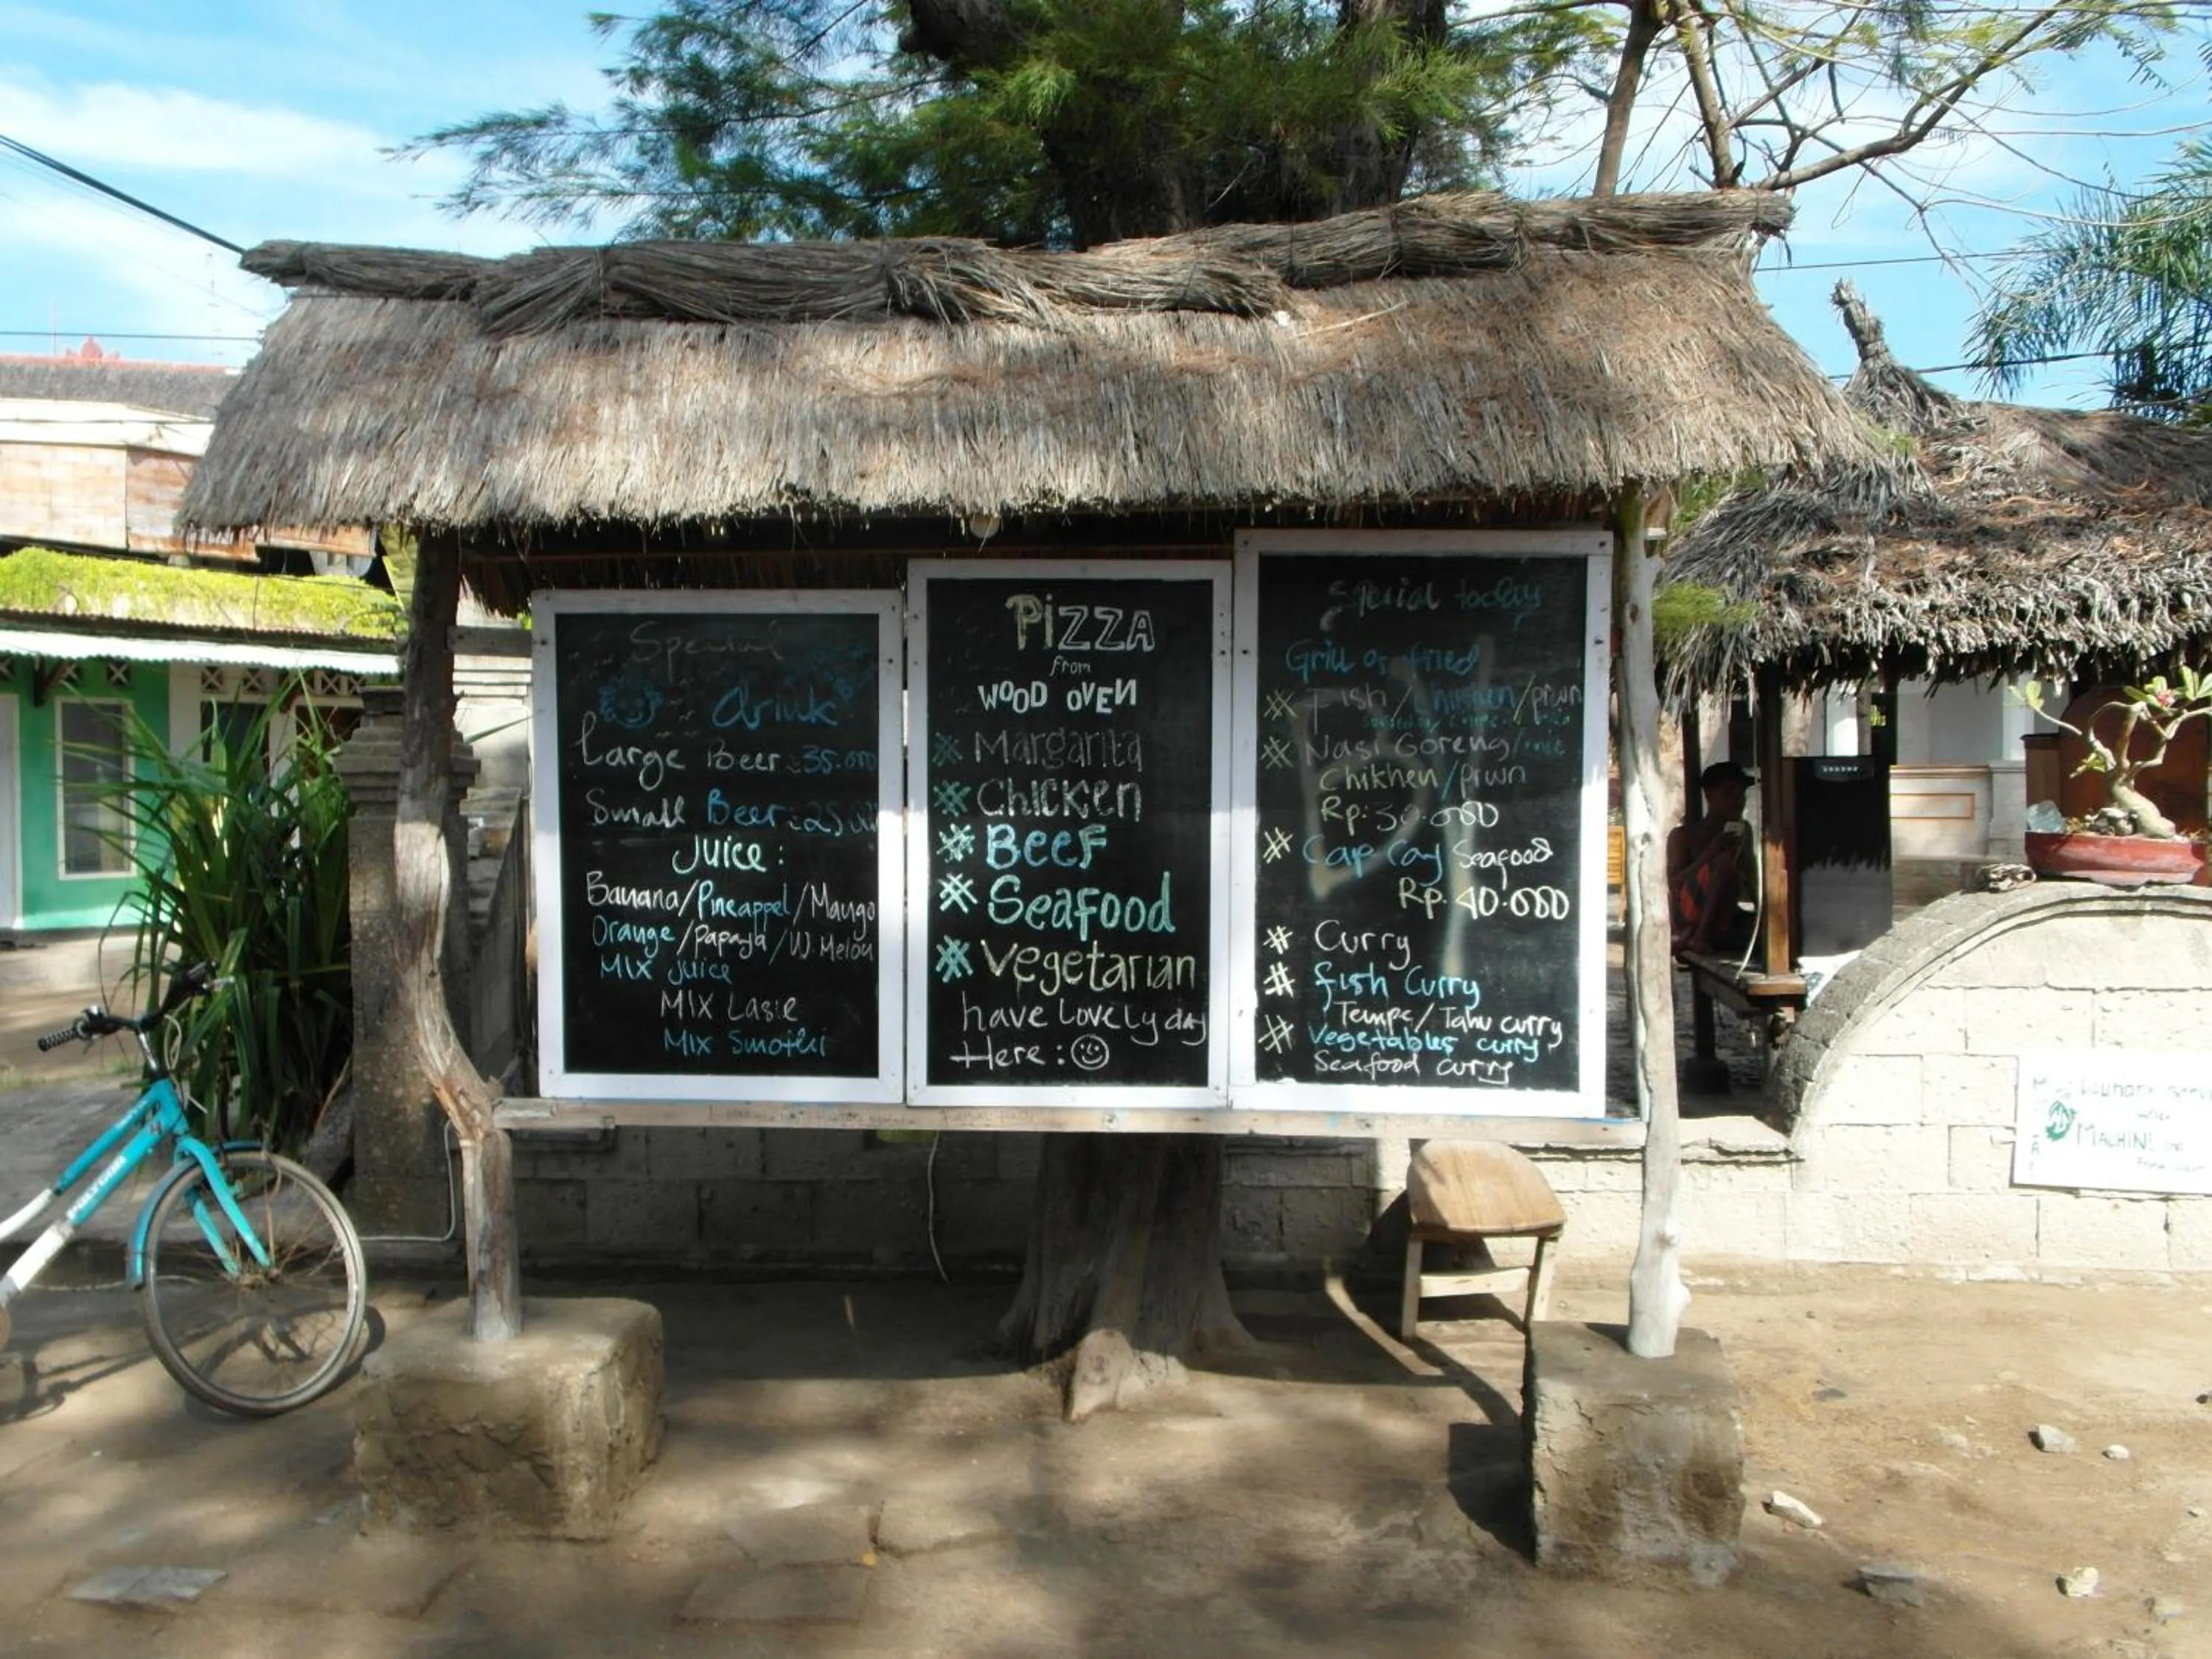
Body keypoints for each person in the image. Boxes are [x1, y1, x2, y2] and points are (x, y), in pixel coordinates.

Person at [1668, 760, 1757, 955]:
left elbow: (1751, 875)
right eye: (1728, 794)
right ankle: (1701, 936)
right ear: (1709, 797)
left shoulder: (1745, 831)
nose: (1737, 801)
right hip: (1688, 916)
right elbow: (1673, 884)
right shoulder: (1683, 836)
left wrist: (1762, 915)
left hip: (1726, 912)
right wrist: (1709, 854)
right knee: (1724, 862)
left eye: (1741, 795)